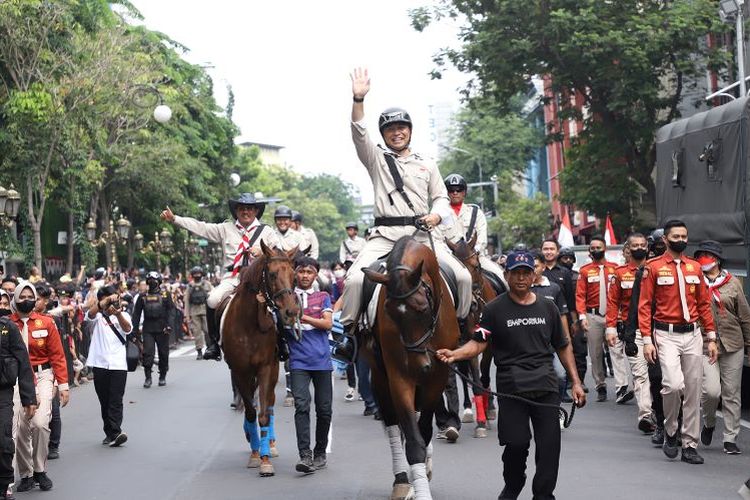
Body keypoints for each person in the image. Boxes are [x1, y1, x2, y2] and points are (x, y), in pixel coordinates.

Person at [336, 67, 472, 361]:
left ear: (410, 131)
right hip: (385, 236)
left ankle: (461, 329)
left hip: (423, 235)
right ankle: (348, 335)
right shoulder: (376, 159)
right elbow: (359, 134)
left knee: (462, 276)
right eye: (390, 129)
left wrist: (436, 216)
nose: (396, 132)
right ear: (384, 135)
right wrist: (358, 99)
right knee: (354, 281)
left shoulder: (428, 163)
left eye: (401, 128)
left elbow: (440, 198)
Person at [436, 251, 586, 500]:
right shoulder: (494, 309)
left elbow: (563, 345)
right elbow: (478, 343)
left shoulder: (547, 307)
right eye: (515, 273)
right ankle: (513, 485)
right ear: (506, 275)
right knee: (516, 445)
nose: (520, 278)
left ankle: (543, 495)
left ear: (533, 275)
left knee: (549, 449)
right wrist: (455, 354)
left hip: (546, 387)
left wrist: (576, 383)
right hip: (511, 388)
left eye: (525, 273)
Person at [161, 194, 279, 361]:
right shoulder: (225, 229)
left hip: (258, 279)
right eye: (242, 208)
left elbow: (278, 253)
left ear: (256, 211)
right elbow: (200, 227)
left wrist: (262, 252)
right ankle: (214, 344)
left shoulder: (267, 231)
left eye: (249, 208)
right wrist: (175, 219)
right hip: (233, 277)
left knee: (279, 301)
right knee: (212, 299)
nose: (246, 211)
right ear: (236, 211)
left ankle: (282, 342)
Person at [640, 219, 718, 465]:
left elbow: (704, 305)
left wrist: (711, 337)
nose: (681, 240)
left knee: (694, 390)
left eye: (684, 236)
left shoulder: (694, 268)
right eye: (676, 236)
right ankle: (671, 430)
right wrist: (646, 340)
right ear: (665, 239)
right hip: (666, 334)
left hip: (693, 334)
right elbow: (644, 306)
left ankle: (690, 444)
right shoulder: (652, 268)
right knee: (673, 386)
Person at [9, 282, 69, 492]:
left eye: (30, 296)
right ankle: (26, 474)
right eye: (22, 296)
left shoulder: (46, 322)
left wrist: (63, 385)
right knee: (21, 426)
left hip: (43, 376)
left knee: (41, 423)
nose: (26, 300)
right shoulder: (6, 324)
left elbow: (58, 356)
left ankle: (40, 470)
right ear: (14, 299)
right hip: (16, 379)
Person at [694, 240, 750, 455]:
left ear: (716, 259)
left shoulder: (732, 282)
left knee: (732, 392)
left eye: (707, 255)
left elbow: (744, 315)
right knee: (711, 391)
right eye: (700, 256)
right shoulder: (695, 282)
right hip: (705, 344)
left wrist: (748, 343)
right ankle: (709, 423)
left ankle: (730, 437)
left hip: (733, 343)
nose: (703, 260)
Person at [286, 257, 334, 474]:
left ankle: (320, 452)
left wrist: (303, 317)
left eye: (309, 272)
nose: (305, 275)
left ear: (316, 275)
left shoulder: (323, 296)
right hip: (298, 363)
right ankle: (305, 455)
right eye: (301, 271)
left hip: (322, 362)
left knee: (324, 411)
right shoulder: (287, 298)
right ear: (295, 274)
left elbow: (327, 324)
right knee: (302, 406)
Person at [605, 233, 654, 433]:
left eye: (643, 244)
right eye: (635, 245)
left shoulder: (656, 270)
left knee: (661, 377)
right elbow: (613, 302)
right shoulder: (620, 273)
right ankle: (646, 416)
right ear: (628, 248)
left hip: (657, 329)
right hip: (633, 331)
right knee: (640, 374)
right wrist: (610, 327)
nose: (639, 247)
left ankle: (663, 414)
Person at [84, 285, 132, 447]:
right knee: (104, 400)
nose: (114, 301)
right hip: (100, 364)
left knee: (116, 400)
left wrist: (118, 314)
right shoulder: (96, 318)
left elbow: (127, 329)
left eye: (115, 298)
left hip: (118, 365)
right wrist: (104, 303)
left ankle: (116, 432)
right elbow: (89, 314)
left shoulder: (124, 314)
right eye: (110, 299)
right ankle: (109, 432)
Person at [575, 235, 622, 402]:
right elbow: (580, 296)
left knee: (617, 351)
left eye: (598, 247)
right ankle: (600, 385)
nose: (595, 250)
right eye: (592, 248)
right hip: (593, 316)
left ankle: (621, 386)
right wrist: (582, 317)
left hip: (612, 315)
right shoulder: (585, 271)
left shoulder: (615, 269)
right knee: (595, 354)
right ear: (589, 250)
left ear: (605, 248)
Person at [0, 290, 36, 500]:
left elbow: (23, 363)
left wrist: (28, 398)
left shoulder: (8, 328)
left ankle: (4, 484)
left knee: (3, 440)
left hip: (3, 393)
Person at [443, 173, 507, 284]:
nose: (455, 193)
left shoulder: (476, 213)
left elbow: (482, 239)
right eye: (451, 190)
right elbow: (437, 240)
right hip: (450, 260)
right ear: (446, 192)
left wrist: (473, 253)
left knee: (503, 278)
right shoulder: (439, 214)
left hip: (476, 258)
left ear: (464, 192)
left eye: (459, 190)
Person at [531, 251, 572, 404]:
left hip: (553, 342)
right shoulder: (522, 289)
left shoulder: (554, 288)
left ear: (543, 267)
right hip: (531, 344)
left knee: (561, 375)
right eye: (530, 267)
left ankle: (558, 409)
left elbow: (562, 315)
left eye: (536, 266)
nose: (533, 270)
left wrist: (567, 339)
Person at [132, 272, 174, 388]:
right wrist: (134, 330)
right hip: (148, 328)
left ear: (159, 282)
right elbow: (136, 314)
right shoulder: (142, 296)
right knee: (148, 353)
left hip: (163, 328)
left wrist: (169, 326)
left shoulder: (166, 295)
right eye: (149, 280)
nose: (151, 282)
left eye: (154, 280)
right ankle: (148, 377)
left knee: (163, 353)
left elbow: (171, 311)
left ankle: (162, 376)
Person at [184, 266, 213, 360]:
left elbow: (213, 296)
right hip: (194, 311)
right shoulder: (190, 286)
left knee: (207, 331)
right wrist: (187, 315)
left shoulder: (207, 284)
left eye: (198, 273)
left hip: (205, 309)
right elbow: (187, 301)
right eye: (195, 274)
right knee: (197, 332)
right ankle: (199, 351)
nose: (197, 275)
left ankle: (209, 348)